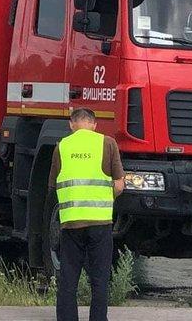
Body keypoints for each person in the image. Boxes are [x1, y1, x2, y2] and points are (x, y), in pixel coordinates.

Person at [48, 108, 125, 321]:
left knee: (68, 279)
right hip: (100, 223)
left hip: (71, 224)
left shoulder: (61, 147)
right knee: (100, 279)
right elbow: (119, 185)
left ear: (71, 125)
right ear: (94, 124)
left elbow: (54, 186)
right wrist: (105, 197)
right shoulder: (107, 143)